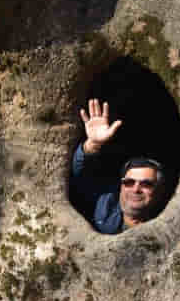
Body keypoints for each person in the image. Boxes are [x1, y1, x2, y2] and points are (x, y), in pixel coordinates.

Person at [71, 98, 166, 234]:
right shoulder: (105, 206)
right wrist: (92, 145)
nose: (136, 189)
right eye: (129, 182)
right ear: (121, 186)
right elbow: (79, 175)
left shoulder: (168, 225)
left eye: (146, 184)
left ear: (159, 191)